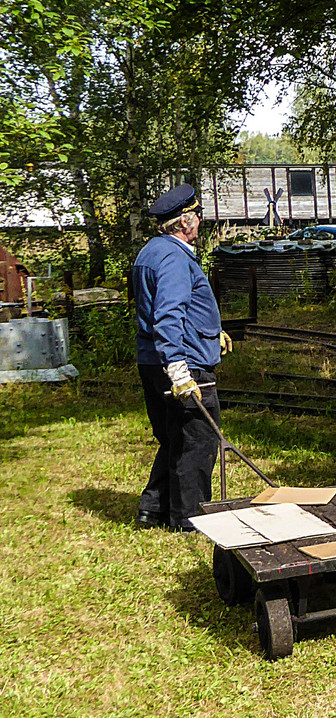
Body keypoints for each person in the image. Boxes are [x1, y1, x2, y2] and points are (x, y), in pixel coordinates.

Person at [132, 185, 231, 530]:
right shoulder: (175, 257)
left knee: (175, 436)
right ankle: (189, 519)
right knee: (197, 439)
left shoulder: (152, 251)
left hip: (152, 358)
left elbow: (168, 308)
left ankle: (153, 508)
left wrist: (209, 328)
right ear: (186, 223)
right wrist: (179, 370)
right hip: (183, 363)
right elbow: (168, 314)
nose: (201, 222)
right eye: (198, 216)